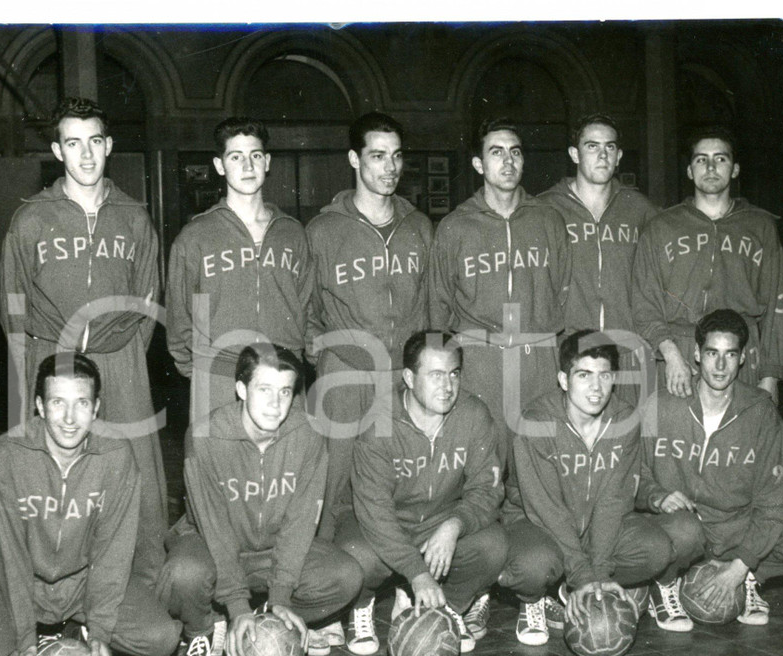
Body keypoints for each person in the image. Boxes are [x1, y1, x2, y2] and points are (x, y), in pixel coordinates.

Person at [0, 354, 205, 656]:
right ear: (39, 405)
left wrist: (99, 631)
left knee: (160, 640)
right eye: (57, 403)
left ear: (96, 407)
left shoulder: (116, 456)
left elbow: (112, 554)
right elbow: (10, 557)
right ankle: (15, 653)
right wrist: (24, 641)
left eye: (81, 403)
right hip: (13, 581)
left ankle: (75, 631)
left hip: (83, 581)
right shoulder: (7, 455)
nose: (69, 418)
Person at [0, 97, 168, 590]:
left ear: (109, 145)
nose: (87, 155)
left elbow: (148, 302)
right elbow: (13, 307)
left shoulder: (134, 217)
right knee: (53, 484)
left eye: (95, 141)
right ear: (58, 151)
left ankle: (146, 594)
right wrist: (27, 375)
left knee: (139, 481)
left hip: (121, 362)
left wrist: (124, 355)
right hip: (52, 360)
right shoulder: (30, 218)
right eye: (74, 143)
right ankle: (51, 602)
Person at [167, 344, 362, 656]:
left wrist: (282, 595)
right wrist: (237, 603)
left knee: (345, 575)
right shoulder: (205, 436)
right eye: (265, 390)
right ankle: (203, 630)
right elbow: (214, 527)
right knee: (182, 575)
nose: (275, 404)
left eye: (285, 392)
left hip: (271, 551)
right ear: (241, 389)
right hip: (212, 547)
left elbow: (300, 523)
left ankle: (269, 617)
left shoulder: (308, 435)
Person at [500, 331, 686, 645]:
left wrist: (597, 572)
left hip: (593, 529)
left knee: (657, 549)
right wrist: (583, 574)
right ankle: (533, 601)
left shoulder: (623, 420)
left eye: (605, 376)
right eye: (584, 375)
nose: (596, 388)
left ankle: (567, 589)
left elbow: (613, 501)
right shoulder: (535, 422)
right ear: (563, 379)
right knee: (535, 565)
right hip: (538, 526)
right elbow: (547, 510)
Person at [306, 112, 435, 543]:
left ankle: (400, 587)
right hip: (344, 374)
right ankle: (325, 584)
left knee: (401, 481)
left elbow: (432, 303)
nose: (390, 167)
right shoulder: (323, 229)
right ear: (354, 159)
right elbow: (305, 307)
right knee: (330, 484)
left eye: (396, 156)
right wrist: (323, 351)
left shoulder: (419, 226)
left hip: (401, 375)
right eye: (378, 156)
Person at [637, 309, 783, 628]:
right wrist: (657, 496)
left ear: (742, 358)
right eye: (712, 353)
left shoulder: (761, 413)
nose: (719, 365)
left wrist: (742, 564)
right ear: (697, 355)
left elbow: (775, 502)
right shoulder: (661, 405)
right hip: (684, 527)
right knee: (681, 532)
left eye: (729, 355)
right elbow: (635, 474)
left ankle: (750, 578)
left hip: (735, 527)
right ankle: (667, 583)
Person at [340, 330, 507, 655]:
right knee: (357, 557)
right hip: (384, 524)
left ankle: (449, 607)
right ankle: (362, 606)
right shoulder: (379, 423)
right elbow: (375, 514)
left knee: (493, 545)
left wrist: (455, 524)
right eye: (435, 376)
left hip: (439, 522)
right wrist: (417, 572)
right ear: (408, 378)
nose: (447, 387)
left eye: (454, 374)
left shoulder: (473, 415)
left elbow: (487, 490)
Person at [429, 117, 571, 463]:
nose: (508, 161)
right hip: (481, 360)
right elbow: (438, 304)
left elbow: (564, 293)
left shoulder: (548, 220)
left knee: (538, 457)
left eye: (515, 152)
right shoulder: (455, 226)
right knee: (482, 460)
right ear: (479, 164)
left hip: (537, 359)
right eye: (496, 152)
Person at [167, 116, 313, 430]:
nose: (247, 166)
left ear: (268, 162)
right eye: (236, 157)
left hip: (282, 373)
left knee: (287, 470)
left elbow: (307, 307)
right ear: (220, 165)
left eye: (255, 156)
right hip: (219, 375)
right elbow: (180, 318)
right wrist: (205, 371)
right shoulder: (196, 236)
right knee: (221, 472)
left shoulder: (293, 233)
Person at [633, 126, 783, 404]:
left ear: (735, 169)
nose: (711, 166)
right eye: (701, 159)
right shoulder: (661, 227)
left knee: (740, 442)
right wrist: (669, 354)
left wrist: (770, 375)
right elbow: (645, 302)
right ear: (690, 171)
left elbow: (776, 308)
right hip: (679, 355)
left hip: (740, 355)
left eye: (721, 158)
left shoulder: (760, 226)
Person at [539, 114, 658, 405]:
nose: (602, 155)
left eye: (609, 147)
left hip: (627, 351)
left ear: (619, 156)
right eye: (592, 146)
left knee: (631, 439)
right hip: (570, 351)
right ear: (574, 154)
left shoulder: (640, 209)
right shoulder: (545, 208)